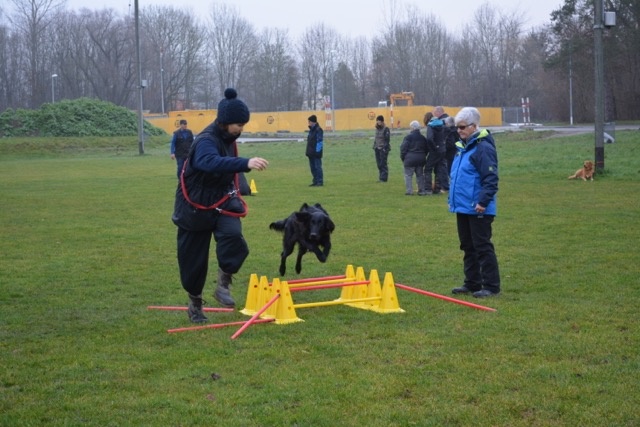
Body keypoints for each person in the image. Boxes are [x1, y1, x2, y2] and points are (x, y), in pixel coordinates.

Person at [172, 88, 269, 322]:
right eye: (238, 125)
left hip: (222, 199)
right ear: (225, 122)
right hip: (194, 205)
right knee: (193, 260)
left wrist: (241, 185)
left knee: (234, 238)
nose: (241, 129)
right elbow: (209, 162)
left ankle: (223, 284)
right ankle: (195, 304)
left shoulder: (228, 138)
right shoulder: (206, 140)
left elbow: (227, 166)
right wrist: (245, 163)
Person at [449, 107, 501, 298]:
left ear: (474, 126)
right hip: (463, 206)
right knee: (467, 246)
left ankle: (491, 286)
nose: (459, 130)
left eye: (462, 127)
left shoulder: (483, 148)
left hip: (478, 207)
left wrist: (483, 201)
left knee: (482, 246)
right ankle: (472, 282)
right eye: (457, 127)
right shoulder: (462, 148)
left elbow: (490, 177)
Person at [424, 106, 449, 195]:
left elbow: (429, 138)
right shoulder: (442, 125)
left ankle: (428, 189)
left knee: (428, 169)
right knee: (438, 168)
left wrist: (434, 147)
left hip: (435, 150)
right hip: (442, 149)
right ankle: (437, 189)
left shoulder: (430, 126)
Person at [399, 120, 428, 195]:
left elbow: (403, 148)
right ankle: (421, 191)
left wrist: (403, 158)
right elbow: (426, 149)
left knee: (408, 175)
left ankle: (409, 191)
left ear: (412, 128)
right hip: (421, 158)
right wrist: (423, 155)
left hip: (410, 159)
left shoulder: (408, 137)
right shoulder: (423, 138)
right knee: (420, 175)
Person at [306, 115, 324, 186]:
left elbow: (319, 141)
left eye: (309, 121)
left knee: (317, 167)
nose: (308, 123)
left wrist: (317, 152)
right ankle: (315, 181)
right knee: (313, 168)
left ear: (313, 122)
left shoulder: (318, 130)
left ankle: (320, 181)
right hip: (311, 152)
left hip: (316, 153)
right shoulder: (311, 130)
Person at [373, 115, 391, 182]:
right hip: (377, 148)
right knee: (379, 164)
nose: (378, 122)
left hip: (383, 149)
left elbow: (387, 140)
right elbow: (376, 138)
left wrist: (384, 148)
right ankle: (380, 177)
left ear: (382, 121)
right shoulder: (377, 129)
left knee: (383, 164)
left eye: (379, 120)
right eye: (377, 120)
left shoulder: (386, 129)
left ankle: (384, 178)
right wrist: (374, 146)